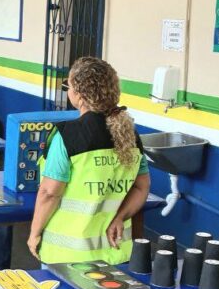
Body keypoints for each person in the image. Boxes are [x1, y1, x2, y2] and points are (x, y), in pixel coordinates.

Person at [28, 57, 150, 265]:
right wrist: (120, 216)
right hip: (115, 252)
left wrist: (34, 233)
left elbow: (50, 193)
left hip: (67, 255)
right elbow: (142, 187)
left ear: (80, 95)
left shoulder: (67, 135)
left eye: (69, 85)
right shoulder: (130, 135)